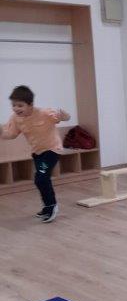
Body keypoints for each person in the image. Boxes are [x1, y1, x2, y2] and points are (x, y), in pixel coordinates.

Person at [0, 85, 70, 223]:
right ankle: (47, 206)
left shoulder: (44, 113)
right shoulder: (15, 118)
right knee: (41, 179)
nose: (16, 108)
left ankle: (51, 206)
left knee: (41, 178)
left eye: (20, 105)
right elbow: (11, 134)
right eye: (13, 105)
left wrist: (65, 116)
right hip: (37, 152)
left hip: (52, 149)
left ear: (30, 104)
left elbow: (63, 118)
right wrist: (1, 133)